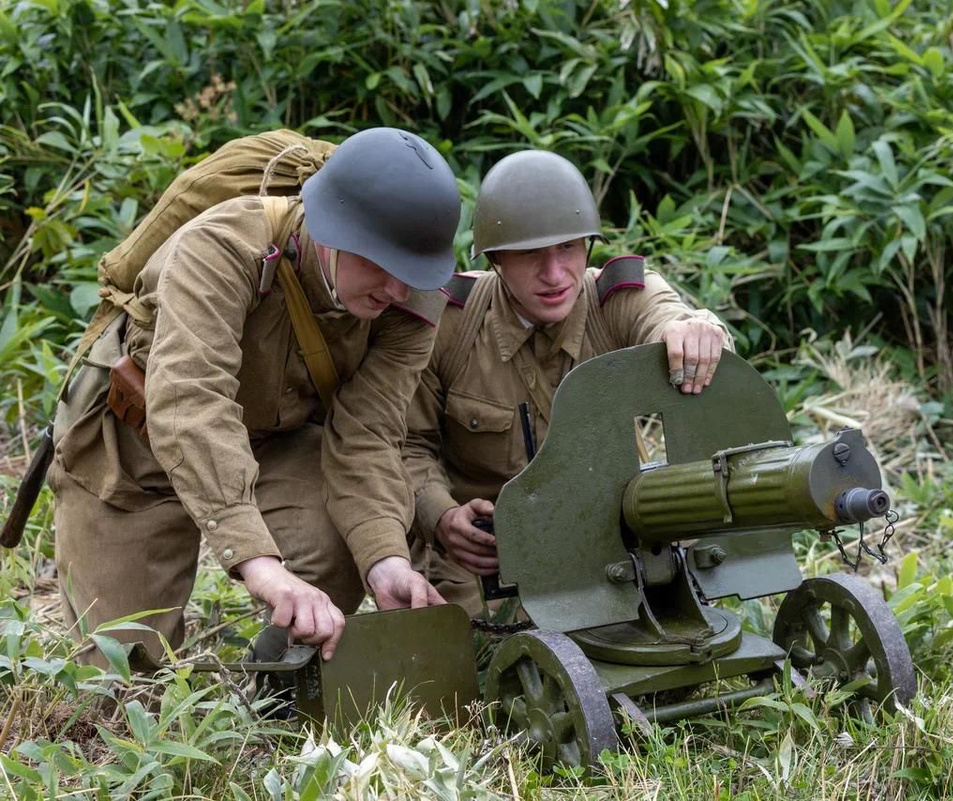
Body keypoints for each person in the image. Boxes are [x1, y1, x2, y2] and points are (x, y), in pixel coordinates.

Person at [51, 127, 458, 666]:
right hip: (138, 446)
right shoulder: (223, 247)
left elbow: (368, 436)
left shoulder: (410, 306)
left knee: (343, 543)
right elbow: (192, 403)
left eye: (413, 272)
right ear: (333, 232)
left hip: (270, 443)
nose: (399, 290)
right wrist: (259, 563)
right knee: (118, 676)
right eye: (383, 265)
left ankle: (272, 683)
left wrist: (385, 559)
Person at [402, 150, 730, 614]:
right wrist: (441, 515)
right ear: (495, 258)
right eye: (530, 254)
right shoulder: (449, 327)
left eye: (568, 248)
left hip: (611, 543)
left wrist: (697, 333)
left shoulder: (619, 302)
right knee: (473, 666)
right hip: (482, 558)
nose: (555, 274)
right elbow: (408, 445)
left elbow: (673, 320)